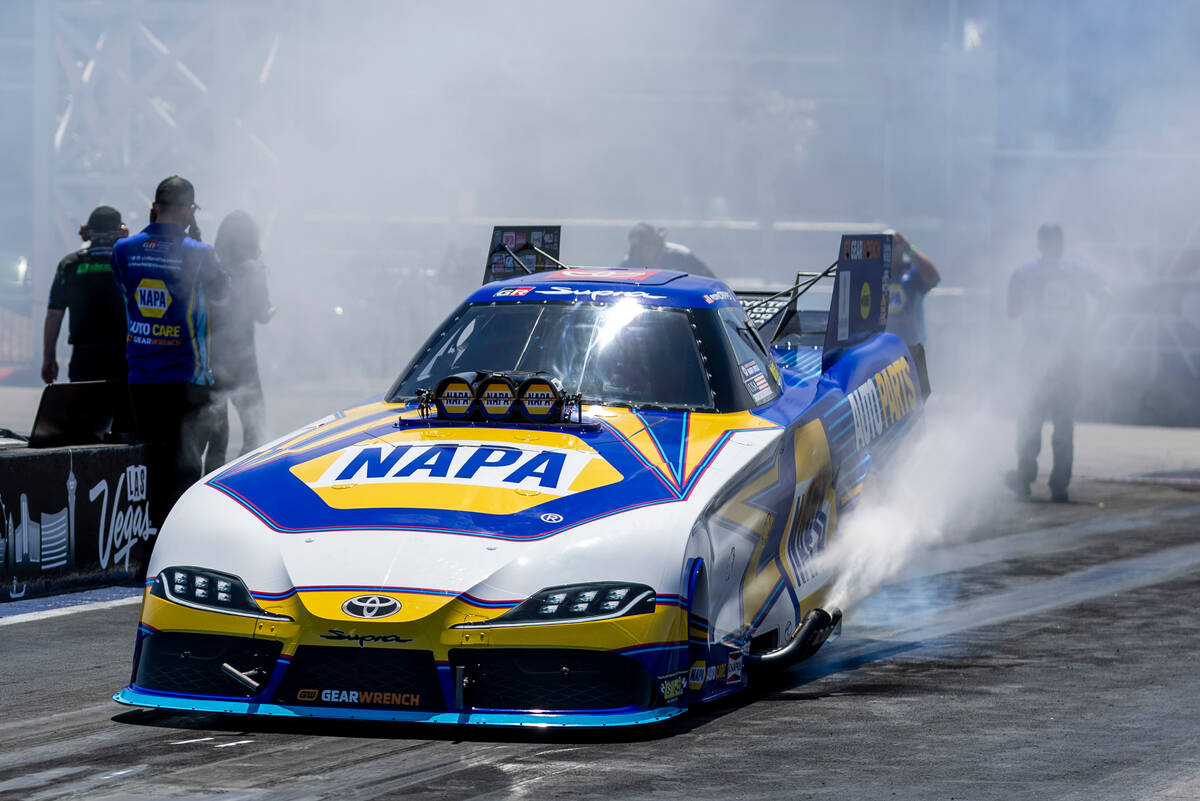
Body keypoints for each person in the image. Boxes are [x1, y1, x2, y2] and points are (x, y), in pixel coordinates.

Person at [111, 176, 229, 525]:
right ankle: (180, 535)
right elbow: (223, 296)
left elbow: (124, 291)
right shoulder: (199, 253)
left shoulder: (123, 250)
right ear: (189, 210)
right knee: (186, 468)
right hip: (186, 379)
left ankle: (150, 534)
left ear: (155, 206)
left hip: (142, 379)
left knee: (151, 464)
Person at [1005, 223, 1105, 503]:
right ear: (1061, 243)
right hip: (1067, 358)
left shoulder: (1024, 273)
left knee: (1031, 420)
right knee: (1063, 424)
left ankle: (1024, 478)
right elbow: (1107, 294)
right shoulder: (1078, 270)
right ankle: (1059, 485)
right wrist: (1090, 329)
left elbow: (1011, 311)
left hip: (1037, 357)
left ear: (1039, 243)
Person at [42, 205, 135, 434]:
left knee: (84, 427)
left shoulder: (69, 264)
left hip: (84, 357)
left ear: (86, 232)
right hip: (124, 356)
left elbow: (54, 314)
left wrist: (49, 358)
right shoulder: (130, 264)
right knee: (125, 428)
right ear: (122, 232)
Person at [201, 210, 274, 473]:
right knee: (255, 436)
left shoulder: (211, 267)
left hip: (213, 362)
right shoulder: (254, 271)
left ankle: (210, 486)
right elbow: (262, 314)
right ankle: (247, 482)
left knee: (217, 442)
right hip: (244, 366)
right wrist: (271, 310)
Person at [885, 230, 941, 347]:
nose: (890, 248)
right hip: (885, 347)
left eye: (894, 244)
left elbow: (933, 276)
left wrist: (909, 249)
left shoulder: (913, 273)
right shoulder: (875, 275)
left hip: (912, 346)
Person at [620, 222, 715, 277]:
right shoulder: (629, 264)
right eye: (638, 250)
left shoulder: (681, 256)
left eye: (647, 246)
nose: (644, 252)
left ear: (657, 244)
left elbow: (710, 281)